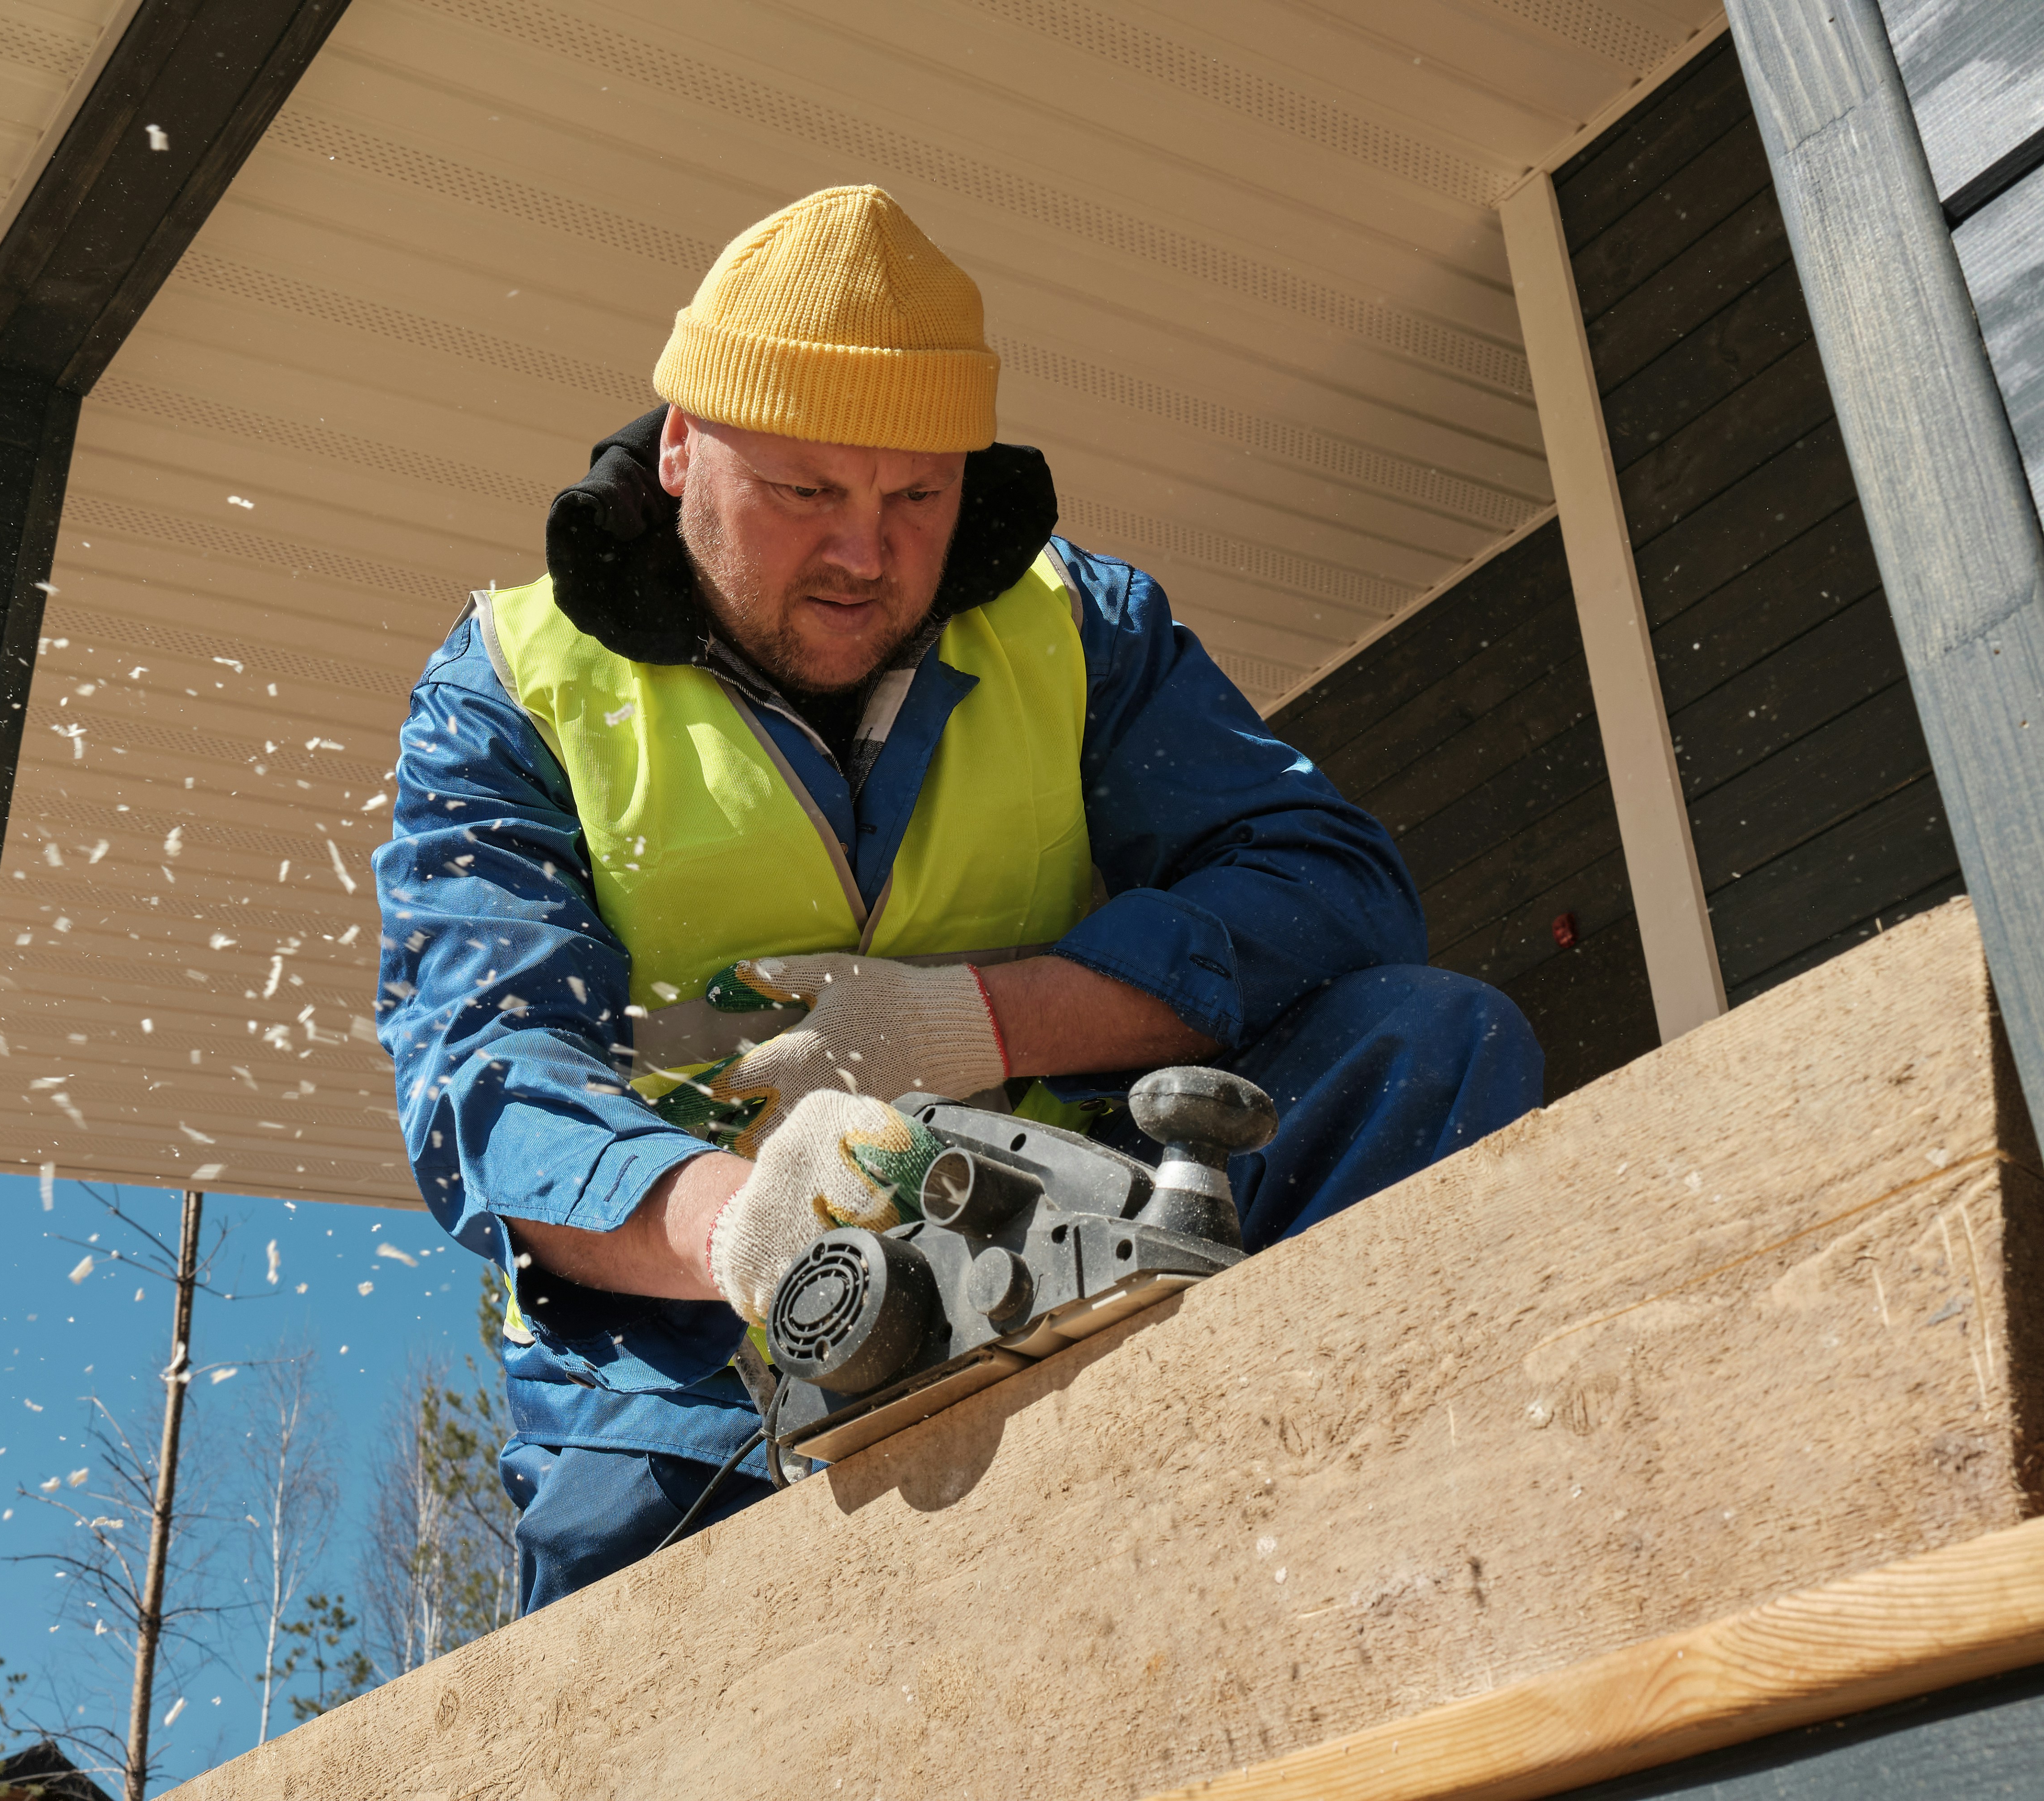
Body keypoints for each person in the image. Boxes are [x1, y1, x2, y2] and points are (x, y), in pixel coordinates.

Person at [371, 186, 1541, 1614]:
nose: (867, 554)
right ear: (682, 450)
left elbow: (1332, 890)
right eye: (807, 492)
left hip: (1096, 1231)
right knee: (629, 1640)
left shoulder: (1079, 622)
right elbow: (487, 1079)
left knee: (1432, 1040)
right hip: (699, 1352)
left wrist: (977, 1022)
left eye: (916, 497)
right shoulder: (510, 686)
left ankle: (1360, 1552)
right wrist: (748, 1232)